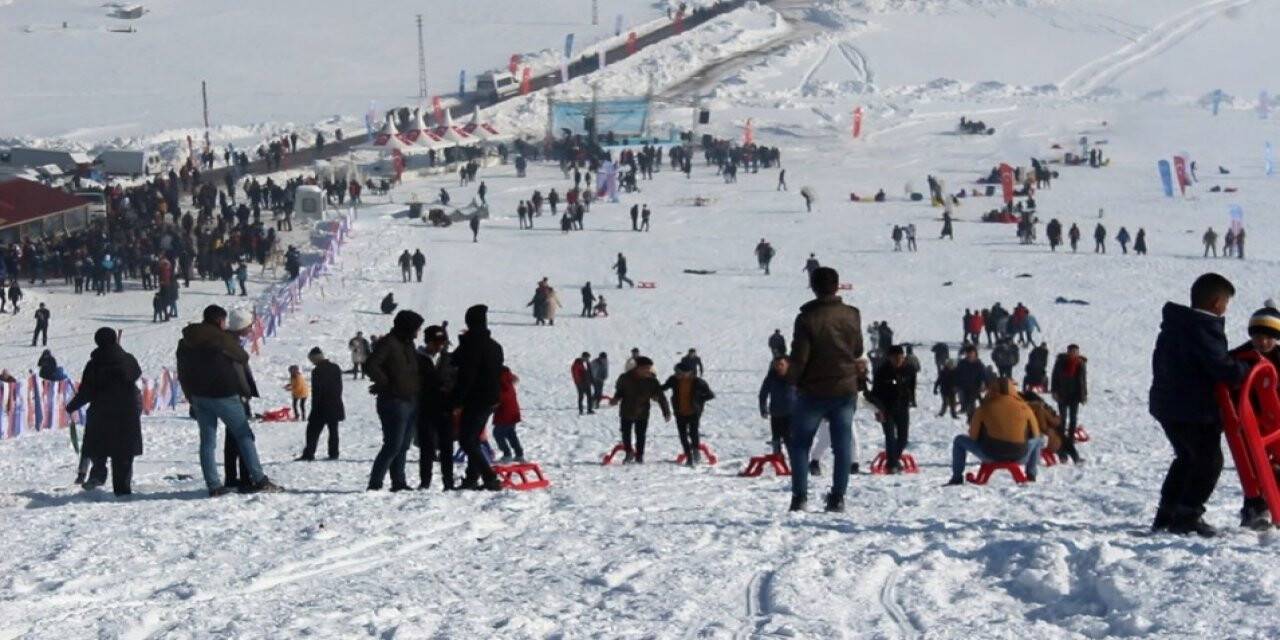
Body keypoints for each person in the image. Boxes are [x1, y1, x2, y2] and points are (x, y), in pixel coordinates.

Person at [1150, 273, 1247, 536]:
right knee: (1209, 461)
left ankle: (1167, 512)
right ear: (1217, 302)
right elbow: (1221, 367)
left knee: (1187, 458)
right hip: (1193, 409)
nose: (1225, 308)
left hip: (1168, 404)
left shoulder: (1177, 324)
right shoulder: (1202, 327)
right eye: (1226, 302)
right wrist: (1244, 369)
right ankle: (1187, 514)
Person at [177, 305, 282, 496]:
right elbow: (242, 356)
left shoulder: (185, 341)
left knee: (207, 442)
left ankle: (214, 485)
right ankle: (259, 479)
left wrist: (190, 395)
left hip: (199, 396)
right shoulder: (220, 337)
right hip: (224, 393)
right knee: (244, 435)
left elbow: (182, 371)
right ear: (220, 321)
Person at [786, 266, 864, 513]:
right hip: (844, 388)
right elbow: (858, 349)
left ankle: (800, 497)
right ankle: (837, 497)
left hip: (813, 390)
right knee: (842, 445)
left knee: (800, 444)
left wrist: (791, 380)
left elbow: (800, 358)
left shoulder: (806, 318)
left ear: (813, 286)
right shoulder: (852, 314)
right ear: (837, 285)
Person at [66, 328, 142, 496]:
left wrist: (71, 406)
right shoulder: (127, 360)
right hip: (127, 412)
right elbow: (136, 373)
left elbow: (86, 391)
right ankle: (122, 490)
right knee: (123, 453)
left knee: (97, 446)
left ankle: (98, 474)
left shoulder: (94, 365)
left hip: (101, 412)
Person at [1229, 307, 1280, 529]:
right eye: (1258, 336)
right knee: (1253, 466)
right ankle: (1255, 508)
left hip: (1276, 421)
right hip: (1250, 422)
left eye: (1269, 337)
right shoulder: (1240, 357)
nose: (1263, 341)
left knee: (1277, 464)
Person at [945, 378, 1045, 485]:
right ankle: (1031, 474)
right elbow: (1035, 433)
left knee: (959, 440)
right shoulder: (1025, 407)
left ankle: (957, 478)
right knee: (1039, 440)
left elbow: (973, 436)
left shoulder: (984, 407)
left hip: (990, 454)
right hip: (1019, 456)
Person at [366, 310, 424, 492]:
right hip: (393, 401)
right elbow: (371, 365)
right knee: (393, 445)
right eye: (416, 328)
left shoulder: (408, 344)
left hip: (411, 400)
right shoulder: (388, 343)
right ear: (407, 327)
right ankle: (375, 484)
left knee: (404, 445)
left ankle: (399, 482)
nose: (418, 332)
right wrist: (386, 383)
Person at [449, 305, 505, 490]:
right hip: (492, 398)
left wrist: (456, 400)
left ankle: (489, 478)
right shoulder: (494, 346)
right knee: (474, 438)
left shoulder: (471, 345)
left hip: (476, 398)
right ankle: (472, 478)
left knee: (466, 439)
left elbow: (466, 375)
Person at [416, 325, 457, 490]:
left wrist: (450, 391)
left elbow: (455, 379)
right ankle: (425, 482)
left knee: (447, 447)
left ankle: (448, 482)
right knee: (426, 447)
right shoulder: (417, 358)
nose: (440, 345)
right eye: (436, 342)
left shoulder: (449, 358)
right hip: (425, 408)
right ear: (428, 342)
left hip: (446, 409)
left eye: (442, 342)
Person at [610, 356, 671, 463]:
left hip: (643, 412)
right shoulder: (625, 378)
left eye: (649, 368)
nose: (648, 370)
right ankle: (629, 452)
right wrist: (616, 398)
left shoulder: (652, 381)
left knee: (641, 434)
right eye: (646, 368)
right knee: (626, 434)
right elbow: (620, 391)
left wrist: (666, 411)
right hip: (627, 410)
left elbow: (661, 397)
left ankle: (639, 455)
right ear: (638, 367)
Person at [869, 345, 913, 473]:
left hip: (903, 408)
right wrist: (878, 410)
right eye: (895, 358)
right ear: (890, 358)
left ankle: (892, 460)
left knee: (903, 438)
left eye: (901, 357)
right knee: (890, 436)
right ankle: (892, 465)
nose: (898, 360)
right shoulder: (882, 372)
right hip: (886, 409)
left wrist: (910, 399)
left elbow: (911, 386)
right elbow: (875, 394)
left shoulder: (909, 369)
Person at [663, 362, 716, 465]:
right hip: (679, 412)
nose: (677, 374)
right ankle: (689, 457)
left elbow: (710, 395)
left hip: (693, 412)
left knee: (693, 433)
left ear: (689, 372)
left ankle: (696, 453)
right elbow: (663, 388)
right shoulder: (673, 380)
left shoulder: (698, 382)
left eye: (679, 372)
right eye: (676, 372)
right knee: (683, 436)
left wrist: (699, 400)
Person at [299, 347, 344, 461]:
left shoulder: (317, 371)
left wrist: (314, 408)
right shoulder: (336, 367)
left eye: (311, 360)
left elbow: (317, 391)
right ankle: (334, 453)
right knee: (333, 431)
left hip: (321, 406)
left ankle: (309, 453)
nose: (311, 362)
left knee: (312, 431)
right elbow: (339, 386)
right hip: (335, 403)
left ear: (315, 358)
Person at [1050, 344, 1088, 464]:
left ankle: (1070, 439)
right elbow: (1054, 377)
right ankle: (1063, 441)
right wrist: (1054, 391)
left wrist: (1084, 395)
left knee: (1073, 419)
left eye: (1076, 352)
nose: (1073, 354)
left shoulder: (1080, 364)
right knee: (1062, 419)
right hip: (1062, 394)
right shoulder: (1061, 362)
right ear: (1068, 352)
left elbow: (1083, 381)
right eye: (1072, 351)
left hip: (1074, 396)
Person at [759, 356, 797, 457]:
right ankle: (777, 460)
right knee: (776, 439)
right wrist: (763, 408)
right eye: (776, 365)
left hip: (791, 414)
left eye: (781, 364)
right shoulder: (771, 378)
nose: (779, 367)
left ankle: (795, 462)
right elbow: (763, 393)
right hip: (776, 413)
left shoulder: (795, 377)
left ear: (787, 365)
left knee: (789, 439)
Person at [492, 367, 524, 462]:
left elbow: (498, 400)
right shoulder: (508, 381)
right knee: (510, 433)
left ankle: (507, 454)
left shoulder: (500, 384)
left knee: (498, 433)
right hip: (513, 412)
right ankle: (519, 454)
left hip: (504, 414)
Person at [954, 345, 990, 419]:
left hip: (974, 387)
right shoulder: (962, 363)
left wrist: (984, 384)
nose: (969, 355)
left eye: (971, 353)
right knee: (964, 400)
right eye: (968, 353)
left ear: (975, 354)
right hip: (963, 386)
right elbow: (957, 374)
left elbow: (984, 375)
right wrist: (955, 384)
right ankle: (967, 413)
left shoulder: (979, 364)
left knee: (971, 402)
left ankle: (972, 418)